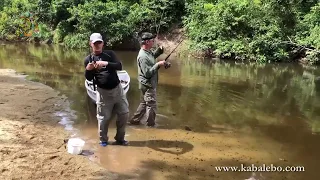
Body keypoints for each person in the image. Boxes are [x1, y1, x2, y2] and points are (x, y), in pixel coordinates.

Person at [84, 33, 129, 146]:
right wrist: (88, 69)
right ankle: (103, 140)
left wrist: (106, 63)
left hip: (118, 89)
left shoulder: (110, 54)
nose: (97, 45)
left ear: (103, 43)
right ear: (91, 44)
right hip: (102, 92)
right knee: (103, 118)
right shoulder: (88, 59)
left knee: (124, 113)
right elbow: (89, 78)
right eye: (95, 43)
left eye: (99, 43)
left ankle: (120, 139)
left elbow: (119, 66)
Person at [129, 32, 169, 127]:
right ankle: (150, 126)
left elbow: (153, 55)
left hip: (146, 84)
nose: (153, 42)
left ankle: (134, 120)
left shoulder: (148, 52)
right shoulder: (142, 56)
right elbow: (147, 74)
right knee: (151, 105)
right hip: (148, 84)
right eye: (152, 41)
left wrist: (160, 50)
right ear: (147, 42)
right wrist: (158, 64)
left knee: (144, 103)